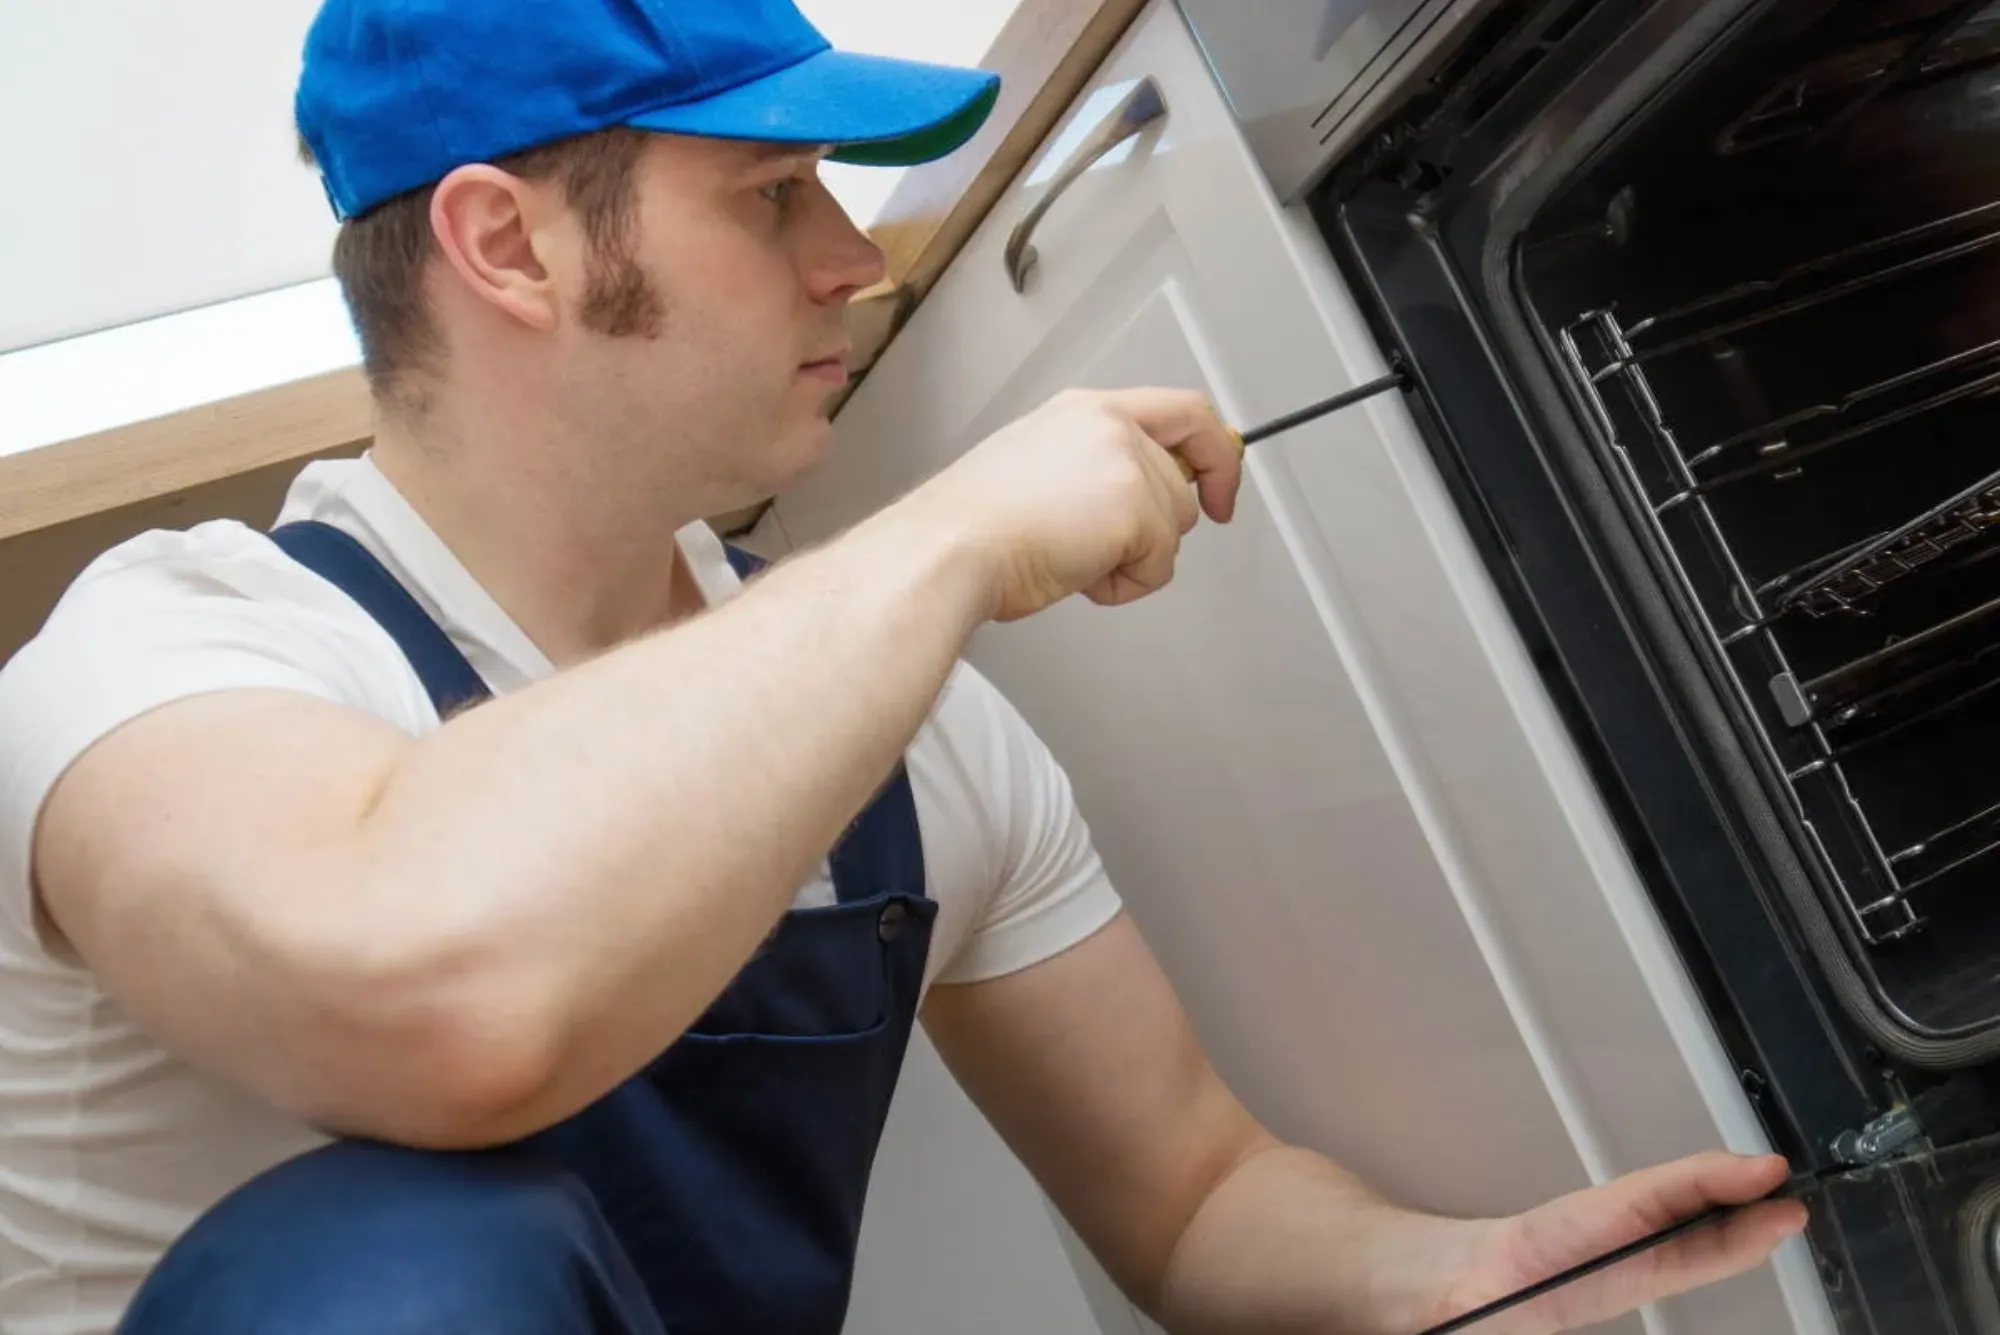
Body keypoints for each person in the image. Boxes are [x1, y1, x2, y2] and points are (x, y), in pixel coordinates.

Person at [0, 1, 1809, 1332]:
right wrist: (939, 538)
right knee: (391, 1274)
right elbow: (440, 1000)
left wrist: (1454, 1277)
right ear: (506, 244)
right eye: (778, 194)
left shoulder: (915, 736)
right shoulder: (180, 648)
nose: (853, 263)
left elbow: (1194, 1192)